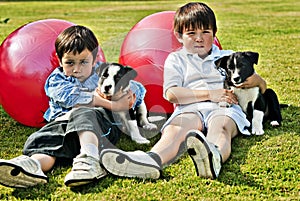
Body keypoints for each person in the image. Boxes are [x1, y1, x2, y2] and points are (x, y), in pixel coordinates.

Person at [100, 2, 269, 179]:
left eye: (205, 32)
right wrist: (210, 94)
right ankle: (150, 161)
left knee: (221, 128)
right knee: (175, 130)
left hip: (224, 108)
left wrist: (260, 81)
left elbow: (256, 88)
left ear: (214, 33)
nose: (199, 38)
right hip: (189, 108)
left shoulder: (227, 57)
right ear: (179, 36)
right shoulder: (176, 59)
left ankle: (214, 156)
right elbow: (171, 94)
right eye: (191, 33)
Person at [0, 25, 134, 188]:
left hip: (97, 130)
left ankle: (90, 159)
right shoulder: (56, 80)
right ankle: (32, 166)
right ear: (59, 59)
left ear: (94, 58)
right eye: (70, 63)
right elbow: (74, 98)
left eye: (84, 62)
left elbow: (129, 82)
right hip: (65, 130)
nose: (77, 69)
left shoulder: (103, 72)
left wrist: (130, 96)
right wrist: (113, 105)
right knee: (45, 141)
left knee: (83, 113)